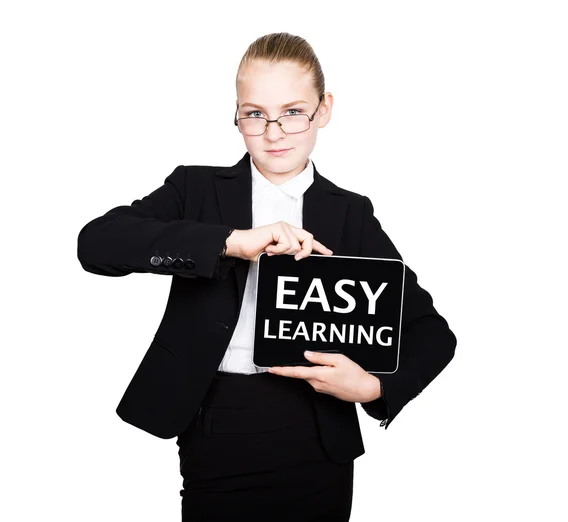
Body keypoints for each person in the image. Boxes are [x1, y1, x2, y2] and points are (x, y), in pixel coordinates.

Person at [77, 32, 457, 522]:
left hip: (318, 432)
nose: (274, 132)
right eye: (255, 113)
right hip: (217, 422)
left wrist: (375, 390)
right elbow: (97, 243)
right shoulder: (194, 188)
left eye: (293, 112)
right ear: (236, 114)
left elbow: (432, 333)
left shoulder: (351, 215)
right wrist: (229, 242)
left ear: (323, 110)